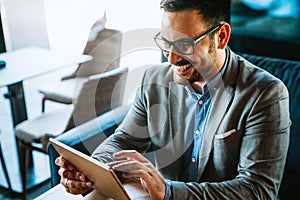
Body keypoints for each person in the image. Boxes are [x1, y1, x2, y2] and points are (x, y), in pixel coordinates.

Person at [55, 0, 291, 199]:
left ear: (221, 36)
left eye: (184, 44)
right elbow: (123, 140)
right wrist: (92, 172)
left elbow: (258, 191)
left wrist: (168, 192)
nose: (171, 58)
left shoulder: (266, 94)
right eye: (166, 42)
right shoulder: (153, 79)